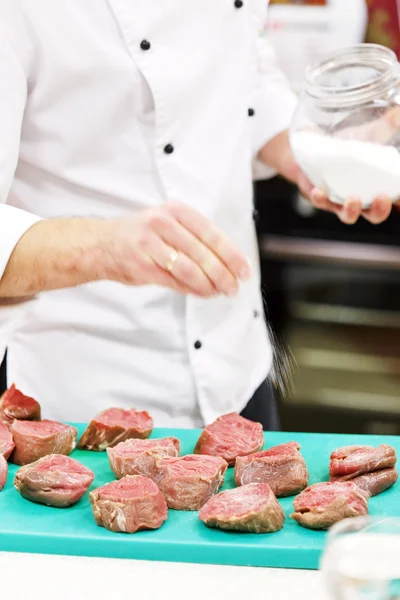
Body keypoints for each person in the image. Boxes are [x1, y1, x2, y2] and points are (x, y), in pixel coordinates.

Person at [0, 1, 396, 429]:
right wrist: (105, 247)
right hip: (84, 397)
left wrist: (308, 150)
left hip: (238, 372)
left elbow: (244, 69)